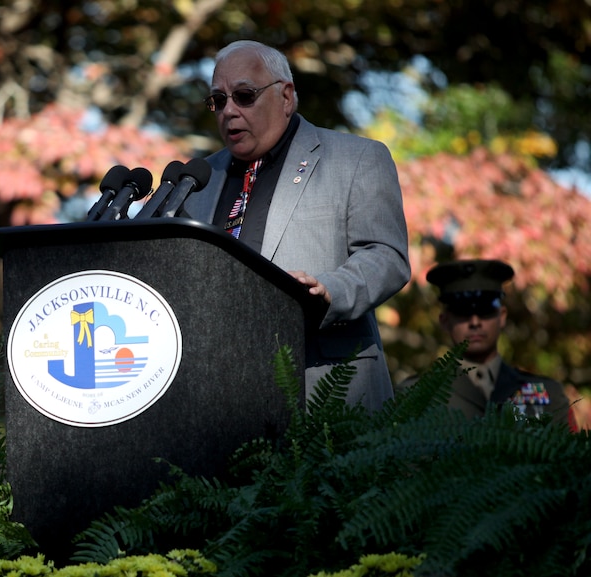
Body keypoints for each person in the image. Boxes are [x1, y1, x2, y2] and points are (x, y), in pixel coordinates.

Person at [180, 40, 410, 411]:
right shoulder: (200, 180)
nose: (229, 111)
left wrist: (331, 291)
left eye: (244, 95)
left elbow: (386, 255)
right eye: (218, 101)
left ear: (286, 97)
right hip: (222, 396)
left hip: (327, 386)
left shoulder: (356, 159)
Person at [406, 259, 573, 425]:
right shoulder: (414, 397)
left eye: (485, 310)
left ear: (502, 316)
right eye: (462, 311)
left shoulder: (548, 394)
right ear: (444, 321)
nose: (475, 322)